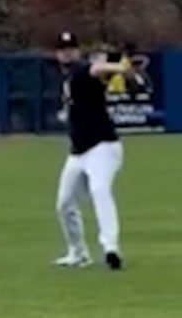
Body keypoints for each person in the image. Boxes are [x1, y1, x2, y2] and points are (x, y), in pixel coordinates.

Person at [53, 31, 132, 270]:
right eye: (63, 49)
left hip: (103, 147)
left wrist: (119, 68)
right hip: (78, 152)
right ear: (57, 54)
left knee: (99, 190)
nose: (67, 53)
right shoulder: (67, 78)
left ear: (77, 51)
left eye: (71, 49)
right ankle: (78, 253)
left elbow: (96, 69)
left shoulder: (82, 70)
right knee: (64, 204)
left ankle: (111, 248)